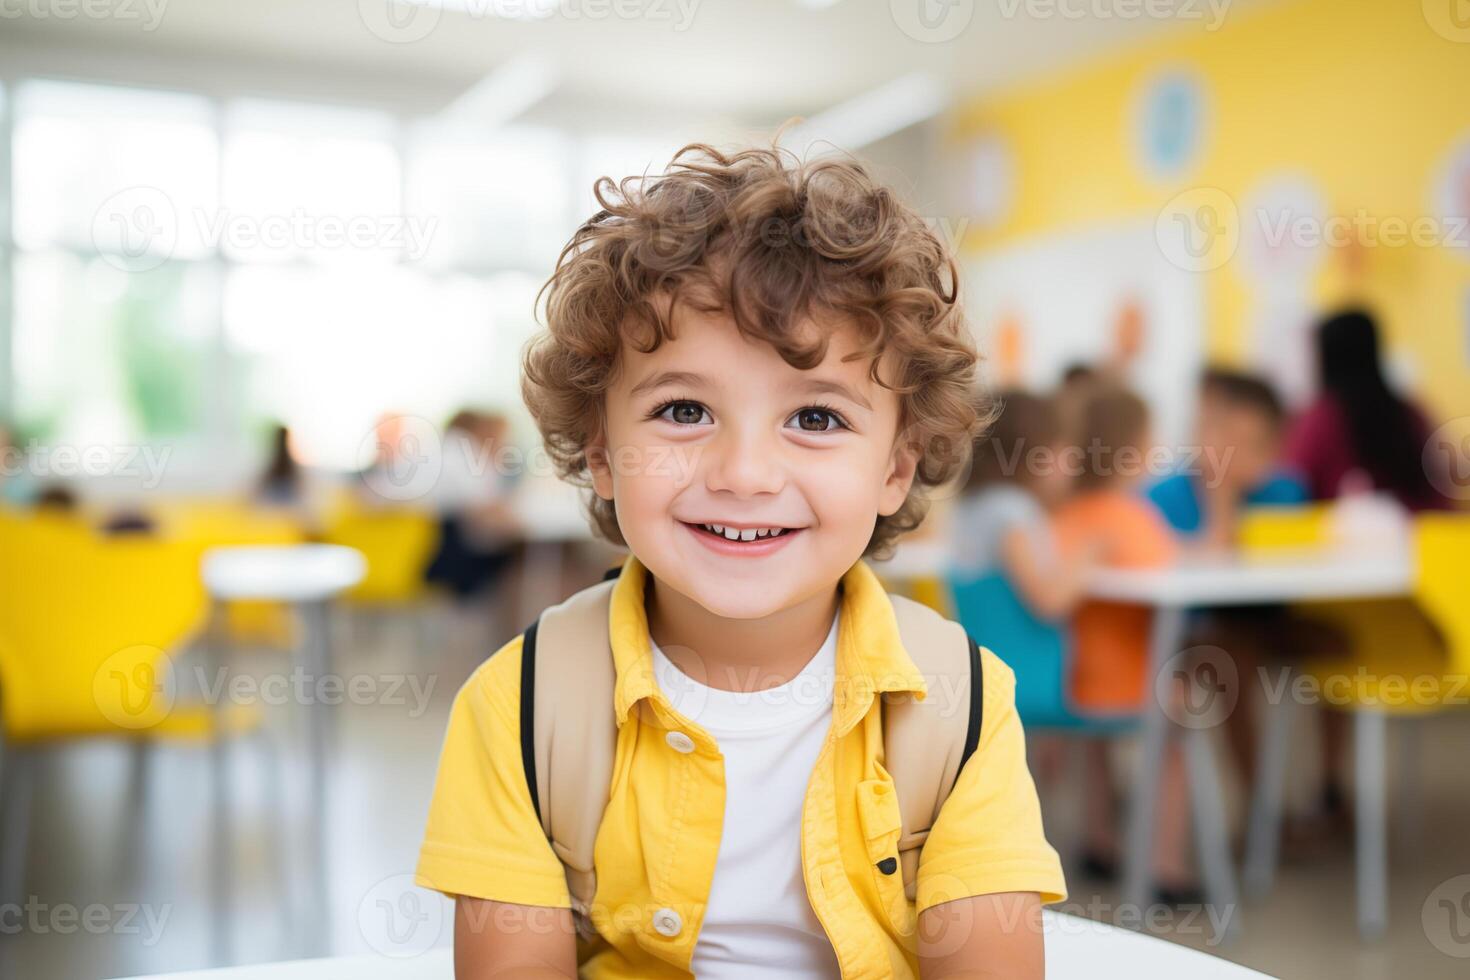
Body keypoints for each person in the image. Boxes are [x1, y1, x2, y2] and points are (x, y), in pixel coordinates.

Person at [416, 141, 1065, 978]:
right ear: (602, 452)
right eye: (684, 409)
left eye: (818, 419)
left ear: (896, 468)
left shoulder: (965, 702)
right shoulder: (520, 705)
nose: (746, 475)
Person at [1051, 384, 1198, 903]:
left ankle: (1099, 840)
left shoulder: (1061, 518)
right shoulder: (1135, 521)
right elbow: (1174, 575)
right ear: (1132, 452)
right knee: (1179, 724)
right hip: (1131, 685)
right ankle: (1167, 866)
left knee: (1092, 741)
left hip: (1069, 681)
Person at [1284, 308, 1450, 511]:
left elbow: (1293, 490)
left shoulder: (1320, 419)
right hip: (1420, 534)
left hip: (1342, 539)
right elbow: (1440, 487)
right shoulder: (1411, 413)